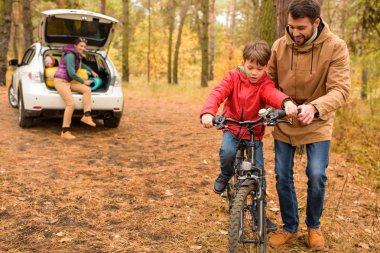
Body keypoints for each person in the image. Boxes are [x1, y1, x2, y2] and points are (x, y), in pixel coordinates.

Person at [266, 0, 350, 250]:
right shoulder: (280, 46)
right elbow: (268, 83)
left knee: (316, 174)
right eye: (290, 27)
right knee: (282, 176)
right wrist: (283, 103)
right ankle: (290, 228)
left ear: (315, 23)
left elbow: (341, 90)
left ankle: (314, 227)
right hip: (285, 117)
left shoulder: (336, 47)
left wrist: (314, 108)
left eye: (300, 28)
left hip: (318, 119)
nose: (295, 33)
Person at [200, 40, 298, 231]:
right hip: (233, 127)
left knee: (258, 174)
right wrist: (208, 113)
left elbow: (273, 94)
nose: (254, 73)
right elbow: (218, 93)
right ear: (243, 63)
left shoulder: (264, 84)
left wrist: (286, 102)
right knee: (227, 152)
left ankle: (257, 213)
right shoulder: (233, 77)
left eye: (259, 69)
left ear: (266, 68)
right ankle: (225, 175)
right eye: (250, 67)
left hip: (253, 132)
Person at [54, 37, 99, 140]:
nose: (83, 48)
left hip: (68, 82)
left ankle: (87, 116)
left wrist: (91, 71)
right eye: (81, 46)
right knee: (71, 104)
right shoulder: (70, 55)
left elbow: (81, 65)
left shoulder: (76, 55)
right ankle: (65, 131)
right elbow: (71, 72)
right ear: (75, 46)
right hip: (60, 81)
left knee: (87, 89)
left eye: (84, 46)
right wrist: (84, 81)